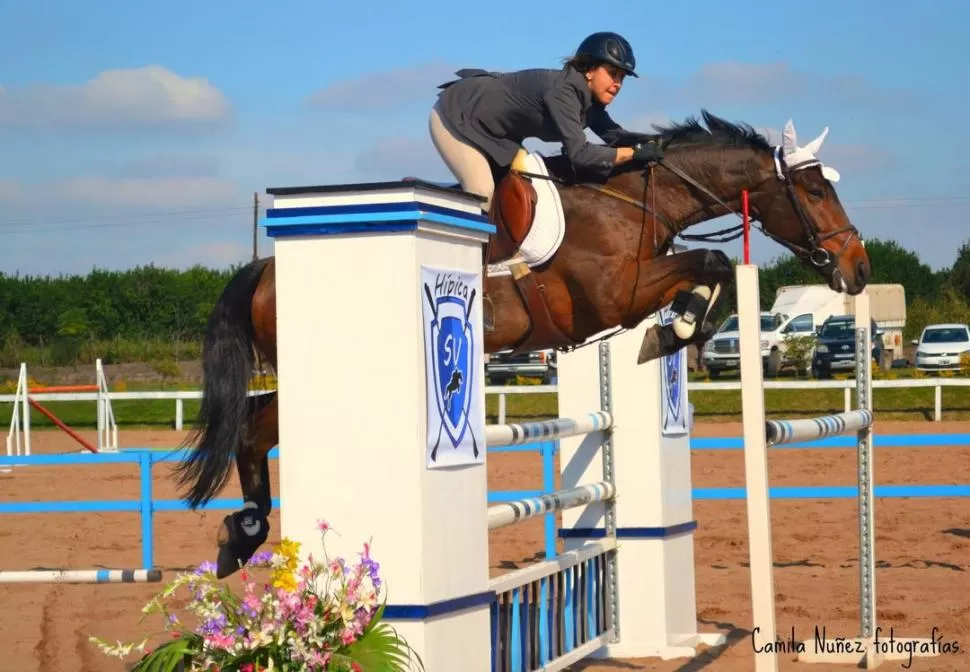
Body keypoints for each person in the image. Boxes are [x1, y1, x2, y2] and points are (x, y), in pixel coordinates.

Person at [428, 31, 663, 211]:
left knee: (526, 185)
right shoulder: (563, 93)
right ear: (589, 69)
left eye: (622, 77)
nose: (618, 83)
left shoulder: (590, 103)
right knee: (482, 191)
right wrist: (633, 154)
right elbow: (580, 155)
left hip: (496, 136)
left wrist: (661, 142)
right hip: (458, 116)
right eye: (613, 73)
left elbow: (615, 136)